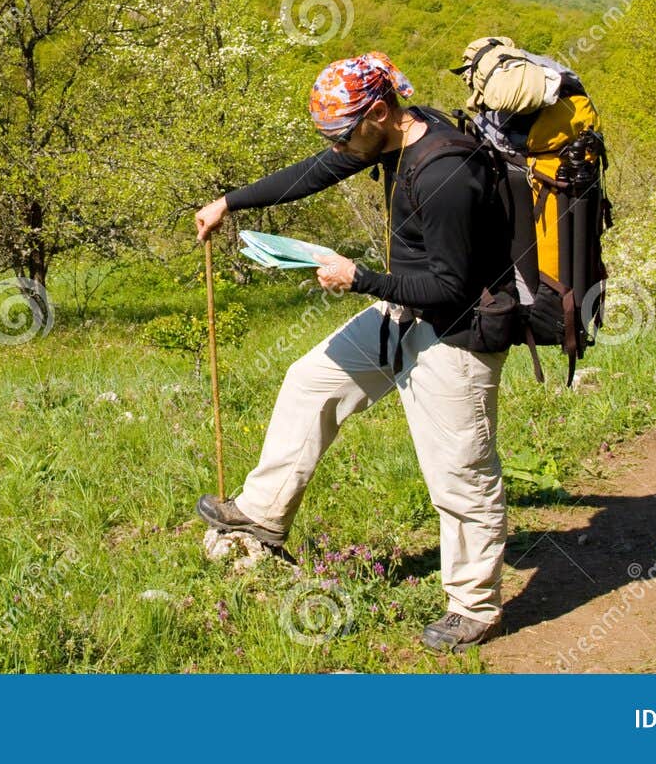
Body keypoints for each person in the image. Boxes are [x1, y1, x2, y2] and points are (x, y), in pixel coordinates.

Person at [193, 51, 515, 653]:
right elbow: (317, 171)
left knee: (459, 474)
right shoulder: (388, 139)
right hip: (404, 313)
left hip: (458, 334)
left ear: (380, 111)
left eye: (344, 133)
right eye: (332, 135)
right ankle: (262, 512)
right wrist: (231, 203)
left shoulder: (447, 172)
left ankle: (475, 608)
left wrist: (359, 277)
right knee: (310, 382)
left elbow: (454, 287)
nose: (339, 146)